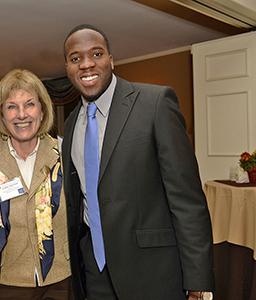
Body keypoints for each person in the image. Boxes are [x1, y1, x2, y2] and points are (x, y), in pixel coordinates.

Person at [61, 24, 215, 300]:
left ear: (110, 59)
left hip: (154, 274)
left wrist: (198, 281)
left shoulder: (155, 103)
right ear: (68, 67)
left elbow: (187, 200)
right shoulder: (72, 123)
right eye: (75, 58)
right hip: (94, 274)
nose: (86, 64)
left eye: (96, 54)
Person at [0, 69, 74, 299]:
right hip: (5, 282)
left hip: (60, 278)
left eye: (30, 104)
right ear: (2, 115)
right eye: (12, 106)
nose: (21, 114)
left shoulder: (65, 154)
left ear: (42, 111)